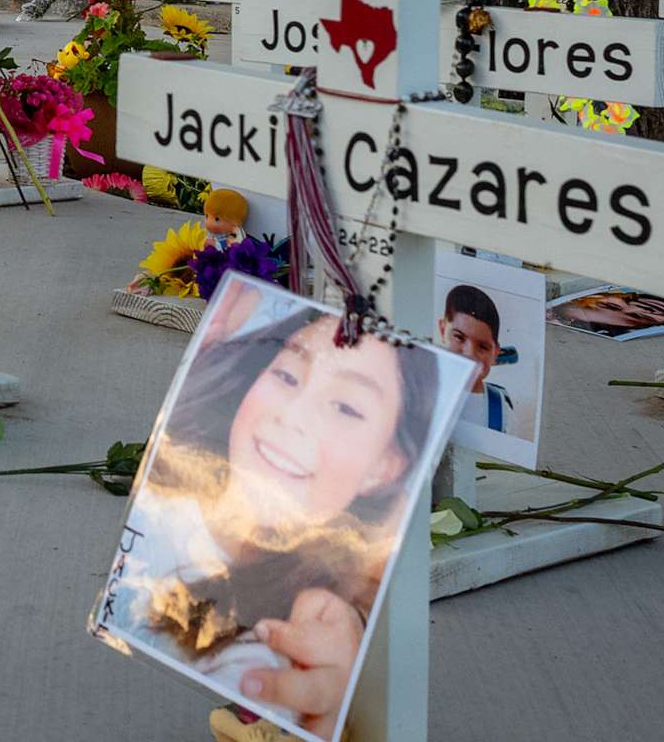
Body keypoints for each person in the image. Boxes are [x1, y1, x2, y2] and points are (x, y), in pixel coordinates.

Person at [103, 284, 448, 739]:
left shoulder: (291, 632)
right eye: (286, 376)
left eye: (345, 407)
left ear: (385, 467)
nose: (294, 416)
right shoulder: (162, 501)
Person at [438, 284, 516, 434]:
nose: (470, 354)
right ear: (442, 330)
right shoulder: (419, 388)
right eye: (459, 337)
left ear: (495, 353)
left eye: (483, 347)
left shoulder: (501, 409)